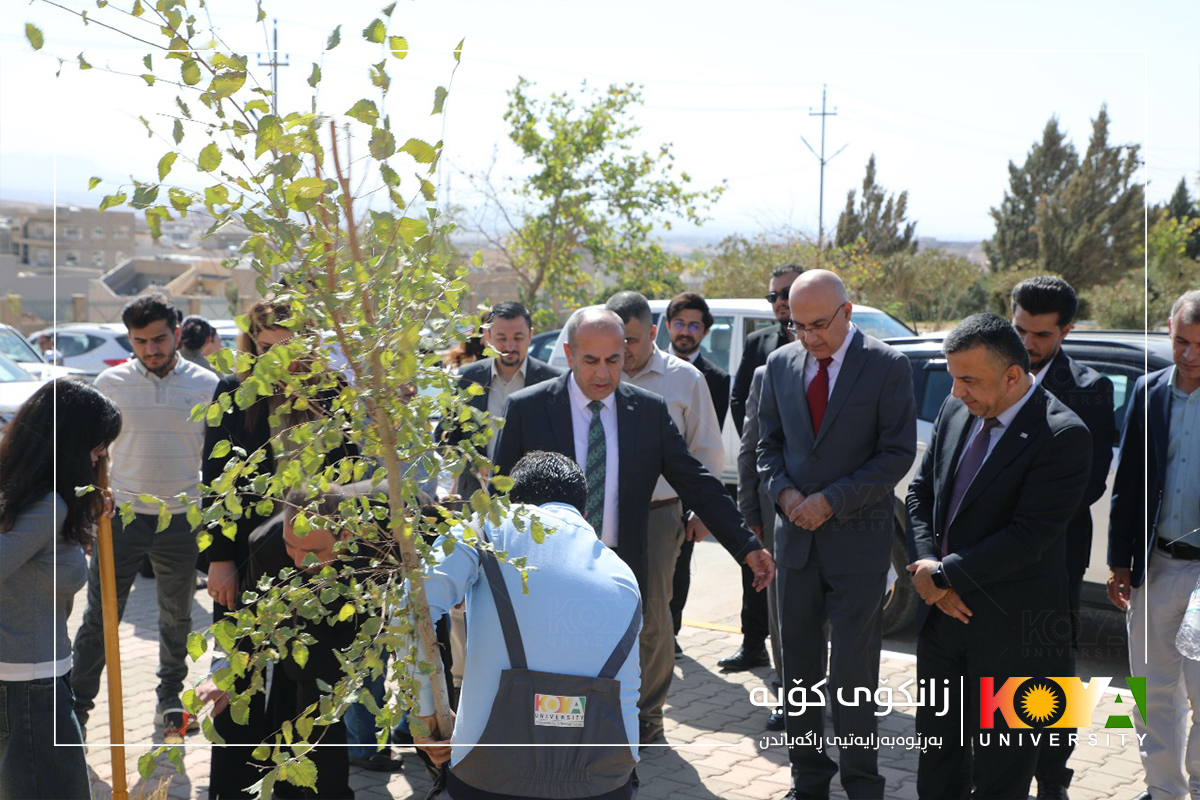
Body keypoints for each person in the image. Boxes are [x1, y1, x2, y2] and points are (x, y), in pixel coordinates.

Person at [493, 307, 775, 745]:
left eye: (614, 359)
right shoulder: (529, 409)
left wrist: (745, 545)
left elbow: (696, 482)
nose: (604, 373)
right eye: (591, 361)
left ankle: (623, 745)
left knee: (621, 667)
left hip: (618, 568)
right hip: (550, 573)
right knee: (559, 677)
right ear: (569, 354)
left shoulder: (646, 411)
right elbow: (501, 496)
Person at [906, 313, 1091, 800]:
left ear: (1013, 375)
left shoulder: (1063, 434)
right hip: (944, 625)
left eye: (969, 379)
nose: (956, 391)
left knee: (1002, 770)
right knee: (938, 755)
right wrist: (928, 568)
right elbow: (921, 494)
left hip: (1014, 636)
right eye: (952, 377)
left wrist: (945, 575)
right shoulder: (955, 410)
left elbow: (1030, 536)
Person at [757, 269, 917, 800]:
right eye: (796, 326)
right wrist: (784, 495)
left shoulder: (887, 366)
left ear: (847, 312)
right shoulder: (779, 365)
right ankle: (808, 780)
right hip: (796, 544)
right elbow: (767, 448)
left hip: (858, 544)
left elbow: (896, 454)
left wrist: (832, 501)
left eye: (818, 325)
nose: (807, 337)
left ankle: (861, 782)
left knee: (852, 676)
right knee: (798, 675)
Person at [412, 451, 642, 799]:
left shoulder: (487, 526)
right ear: (583, 514)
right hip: (604, 780)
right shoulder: (624, 574)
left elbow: (415, 606)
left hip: (489, 777)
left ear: (510, 501)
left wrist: (427, 713)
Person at [71, 293, 219, 740]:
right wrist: (94, 500)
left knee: (177, 617)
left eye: (158, 339)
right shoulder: (109, 384)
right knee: (100, 618)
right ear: (130, 340)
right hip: (122, 519)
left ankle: (169, 701)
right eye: (140, 341)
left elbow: (217, 458)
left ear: (177, 333)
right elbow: (90, 452)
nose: (151, 350)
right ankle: (75, 711)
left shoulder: (207, 383)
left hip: (181, 520)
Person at [1010, 276, 1116, 800]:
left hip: (1056, 552)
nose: (1028, 344)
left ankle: (1053, 777)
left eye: (1042, 336)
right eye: (1020, 329)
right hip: (990, 556)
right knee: (997, 664)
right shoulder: (990, 371)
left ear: (1066, 331)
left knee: (1052, 669)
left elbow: (1089, 481)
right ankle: (999, 766)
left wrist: (1023, 529)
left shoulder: (1091, 389)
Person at [604, 290, 724, 740]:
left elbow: (707, 450)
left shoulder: (684, 380)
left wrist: (703, 512)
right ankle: (605, 707)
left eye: (631, 341)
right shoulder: (597, 372)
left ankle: (647, 715)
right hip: (597, 514)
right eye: (616, 341)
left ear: (653, 333)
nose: (622, 352)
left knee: (653, 619)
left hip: (659, 514)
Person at [0, 379, 121, 800]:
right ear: (67, 443)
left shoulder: (37, 499)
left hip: (38, 674)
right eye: (95, 447)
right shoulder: (46, 507)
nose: (100, 457)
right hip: (27, 683)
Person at [202, 299, 358, 618]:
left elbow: (350, 476)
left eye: (289, 347)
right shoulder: (233, 392)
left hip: (318, 550)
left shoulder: (334, 389)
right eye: (266, 348)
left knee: (305, 663)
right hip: (249, 547)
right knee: (242, 657)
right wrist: (218, 559)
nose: (278, 359)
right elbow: (216, 480)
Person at [1108, 290, 1200, 800]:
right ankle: (1163, 790)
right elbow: (1130, 483)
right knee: (1149, 693)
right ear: (1168, 328)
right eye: (1182, 341)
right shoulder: (1148, 391)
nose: (1189, 356)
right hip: (1156, 566)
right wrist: (1119, 561)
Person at [722, 263, 802, 672]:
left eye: (786, 293)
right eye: (773, 296)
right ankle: (754, 645)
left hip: (806, 483)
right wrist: (762, 443)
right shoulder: (760, 344)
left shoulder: (823, 344)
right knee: (756, 571)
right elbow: (741, 401)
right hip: (765, 476)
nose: (780, 302)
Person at [664, 291, 731, 650]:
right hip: (649, 485)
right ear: (667, 326)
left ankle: (670, 632)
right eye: (679, 323)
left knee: (680, 562)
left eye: (694, 325)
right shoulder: (644, 367)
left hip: (686, 486)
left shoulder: (716, 379)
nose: (685, 331)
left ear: (704, 331)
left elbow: (707, 441)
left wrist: (701, 502)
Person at [452, 301, 562, 498]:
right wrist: (471, 462)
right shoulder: (467, 378)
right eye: (501, 338)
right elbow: (448, 436)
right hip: (477, 499)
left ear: (530, 336)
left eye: (518, 338)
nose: (510, 346)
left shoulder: (552, 381)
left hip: (532, 502)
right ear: (487, 337)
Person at [739, 364, 786, 731]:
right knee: (782, 610)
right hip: (775, 513)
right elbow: (751, 446)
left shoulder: (859, 367)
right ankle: (790, 695)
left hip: (845, 515)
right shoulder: (767, 374)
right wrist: (749, 512)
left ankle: (847, 693)